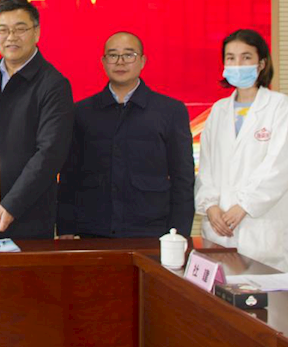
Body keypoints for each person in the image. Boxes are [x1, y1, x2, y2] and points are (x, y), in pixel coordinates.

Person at [57, 32, 194, 239]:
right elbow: (69, 175)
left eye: (129, 55)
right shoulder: (81, 112)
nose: (120, 62)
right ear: (104, 62)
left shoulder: (170, 111)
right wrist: (66, 227)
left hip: (151, 230)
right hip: (93, 229)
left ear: (142, 61)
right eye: (113, 55)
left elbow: (182, 177)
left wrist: (180, 232)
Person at [195, 29, 288, 272]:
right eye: (231, 58)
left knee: (265, 291)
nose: (238, 64)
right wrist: (210, 206)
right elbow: (207, 167)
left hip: (261, 229)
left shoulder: (279, 106)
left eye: (246, 57)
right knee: (220, 291)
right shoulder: (219, 110)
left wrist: (244, 206)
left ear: (261, 63)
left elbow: (281, 167)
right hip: (220, 228)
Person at [0, 0, 73, 238]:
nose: (11, 37)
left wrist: (12, 204)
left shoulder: (53, 84)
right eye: (3, 30)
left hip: (26, 216)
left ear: (36, 32)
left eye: (20, 29)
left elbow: (50, 153)